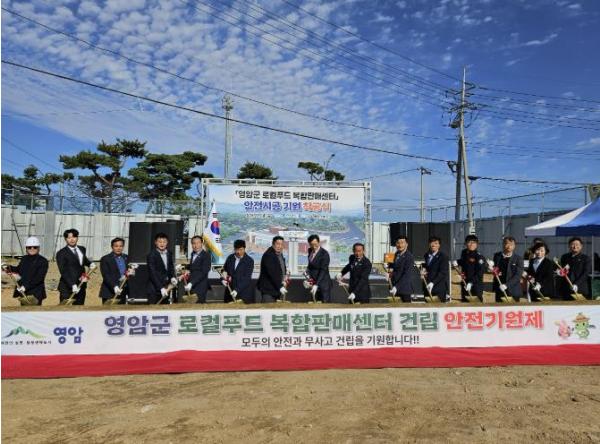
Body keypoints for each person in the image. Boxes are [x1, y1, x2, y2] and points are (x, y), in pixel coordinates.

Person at [2, 236, 48, 305]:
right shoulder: (24, 258)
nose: (32, 249)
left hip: (35, 293)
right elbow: (19, 269)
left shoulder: (43, 261)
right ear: (26, 248)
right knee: (23, 310)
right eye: (29, 247)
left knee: (34, 311)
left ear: (39, 248)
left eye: (35, 247)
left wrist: (25, 287)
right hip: (23, 292)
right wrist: (8, 267)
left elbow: (39, 278)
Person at [56, 228, 92, 305]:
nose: (72, 239)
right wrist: (72, 284)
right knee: (65, 309)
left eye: (74, 237)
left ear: (77, 238)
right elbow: (63, 271)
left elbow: (82, 260)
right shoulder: (61, 253)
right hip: (67, 287)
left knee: (79, 308)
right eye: (69, 237)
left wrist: (90, 264)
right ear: (65, 239)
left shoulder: (82, 249)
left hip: (81, 284)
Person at [491, 236, 524, 302]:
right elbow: (495, 269)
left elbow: (518, 275)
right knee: (499, 307)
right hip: (499, 289)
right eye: (507, 243)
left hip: (513, 290)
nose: (509, 246)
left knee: (513, 308)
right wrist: (491, 267)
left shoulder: (518, 259)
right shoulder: (497, 256)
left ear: (514, 246)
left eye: (511, 244)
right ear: (503, 244)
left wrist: (506, 285)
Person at [257, 236, 288, 303]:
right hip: (268, 290)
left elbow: (281, 268)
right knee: (268, 308)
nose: (280, 246)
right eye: (278, 244)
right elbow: (272, 273)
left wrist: (284, 277)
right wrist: (280, 286)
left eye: (282, 244)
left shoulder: (279, 254)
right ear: (273, 244)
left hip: (276, 289)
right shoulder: (269, 255)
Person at [146, 232, 176, 304]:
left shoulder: (169, 253)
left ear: (167, 243)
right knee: (153, 309)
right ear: (155, 242)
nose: (162, 244)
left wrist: (172, 277)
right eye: (160, 242)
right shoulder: (151, 255)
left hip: (166, 288)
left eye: (164, 242)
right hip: (154, 289)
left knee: (164, 309)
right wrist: (161, 288)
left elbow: (171, 267)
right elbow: (152, 274)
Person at [99, 237, 129, 304]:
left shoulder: (126, 257)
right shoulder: (105, 259)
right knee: (108, 310)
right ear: (112, 247)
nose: (118, 248)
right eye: (116, 246)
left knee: (121, 310)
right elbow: (106, 275)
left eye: (121, 246)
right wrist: (114, 286)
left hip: (123, 291)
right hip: (109, 292)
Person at [456, 234, 485, 302]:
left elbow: (480, 273)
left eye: (473, 242)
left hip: (475, 285)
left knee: (476, 304)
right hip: (465, 283)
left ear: (477, 244)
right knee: (465, 303)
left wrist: (471, 282)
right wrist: (457, 262)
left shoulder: (479, 257)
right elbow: (464, 261)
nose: (471, 244)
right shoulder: (464, 253)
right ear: (466, 243)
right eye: (469, 242)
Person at [305, 234, 333, 303]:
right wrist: (307, 274)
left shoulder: (324, 254)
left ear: (319, 242)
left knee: (324, 305)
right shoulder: (310, 250)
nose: (314, 247)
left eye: (315, 244)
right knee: (314, 304)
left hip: (323, 284)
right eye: (311, 245)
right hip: (314, 282)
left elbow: (323, 270)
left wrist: (316, 284)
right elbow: (310, 265)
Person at [422, 236, 449, 302]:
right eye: (432, 243)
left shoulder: (443, 256)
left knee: (439, 307)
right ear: (429, 244)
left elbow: (443, 272)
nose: (433, 245)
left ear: (439, 245)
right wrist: (423, 270)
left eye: (436, 243)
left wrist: (433, 283)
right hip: (427, 286)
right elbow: (428, 267)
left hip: (438, 288)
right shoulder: (426, 255)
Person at [388, 236, 415, 303]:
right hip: (394, 287)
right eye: (398, 243)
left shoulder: (409, 257)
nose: (400, 245)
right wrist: (389, 268)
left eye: (402, 243)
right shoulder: (396, 254)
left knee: (406, 308)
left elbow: (406, 275)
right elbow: (393, 268)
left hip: (404, 289)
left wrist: (396, 287)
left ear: (406, 244)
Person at [186, 235, 212, 303]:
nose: (196, 245)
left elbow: (204, 272)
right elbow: (194, 267)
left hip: (200, 286)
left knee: (199, 306)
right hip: (191, 286)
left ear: (202, 244)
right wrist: (185, 268)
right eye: (194, 243)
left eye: (198, 243)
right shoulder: (193, 254)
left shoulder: (206, 255)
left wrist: (191, 283)